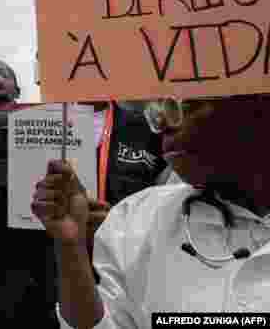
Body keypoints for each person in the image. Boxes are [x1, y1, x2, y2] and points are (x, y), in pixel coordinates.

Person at [33, 94, 270, 325]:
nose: (164, 123)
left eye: (185, 105)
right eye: (158, 109)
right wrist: (70, 248)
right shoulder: (136, 219)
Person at [0, 93, 169, 329]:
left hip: (119, 310)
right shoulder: (2, 128)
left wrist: (118, 229)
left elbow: (168, 235)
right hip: (25, 308)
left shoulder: (153, 134)